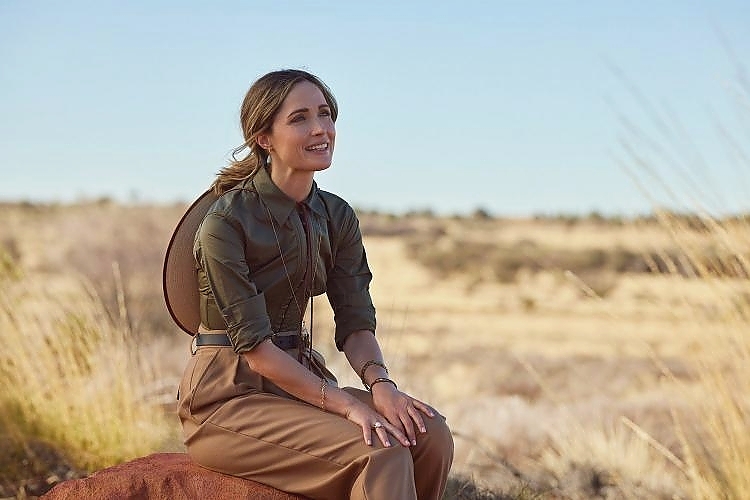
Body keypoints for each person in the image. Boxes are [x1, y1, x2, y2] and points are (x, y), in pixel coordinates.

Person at [165, 69, 453, 500]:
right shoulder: (226, 221)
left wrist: (382, 388)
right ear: (264, 137)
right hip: (228, 400)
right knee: (380, 449)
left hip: (297, 387)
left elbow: (356, 323)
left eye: (325, 114)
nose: (320, 129)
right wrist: (349, 405)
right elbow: (258, 352)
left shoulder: (336, 216)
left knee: (428, 434)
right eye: (300, 118)